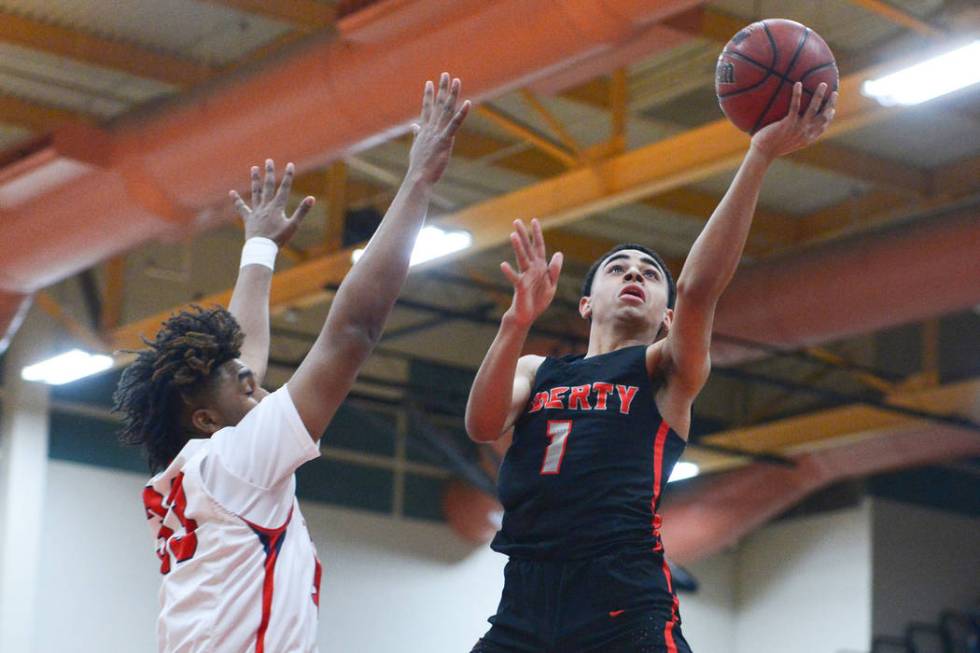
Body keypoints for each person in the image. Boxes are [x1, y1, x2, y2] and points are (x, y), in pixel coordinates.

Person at [465, 82, 837, 653]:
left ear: (667, 315)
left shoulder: (663, 371)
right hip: (525, 600)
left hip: (621, 600)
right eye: (618, 268)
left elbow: (700, 287)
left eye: (649, 272)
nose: (634, 274)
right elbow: (482, 425)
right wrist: (515, 323)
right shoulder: (539, 370)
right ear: (586, 303)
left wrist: (758, 155)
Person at [113, 74, 469, 653]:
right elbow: (353, 330)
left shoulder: (200, 469)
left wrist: (260, 248)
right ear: (206, 417)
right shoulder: (236, 462)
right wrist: (418, 181)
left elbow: (239, 355)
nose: (262, 388)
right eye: (247, 388)